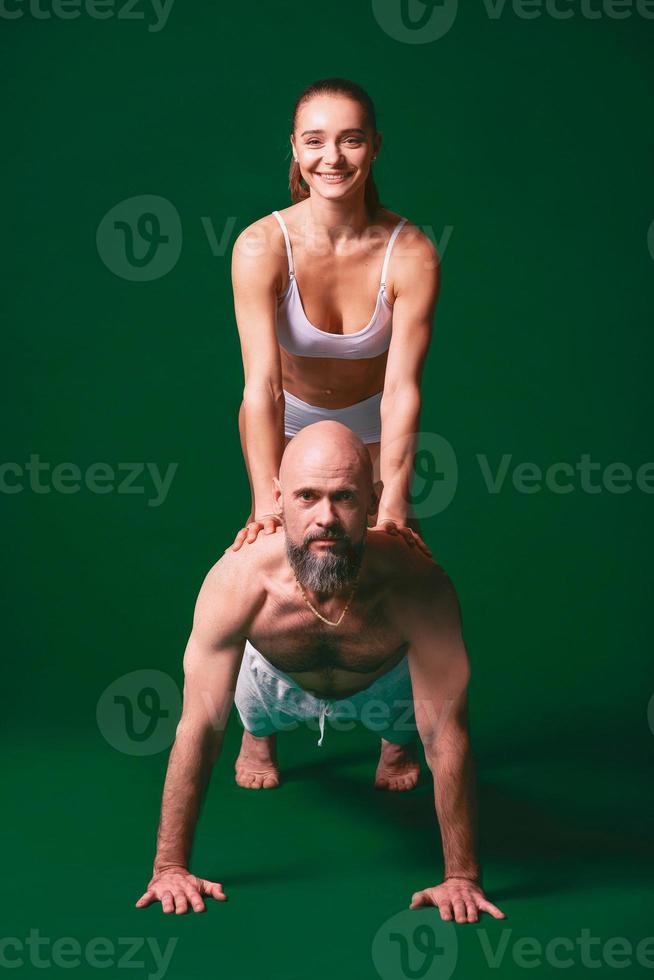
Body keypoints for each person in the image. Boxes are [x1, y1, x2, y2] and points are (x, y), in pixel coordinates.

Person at [136, 422, 505, 924]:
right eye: (307, 497)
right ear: (278, 498)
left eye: (344, 498)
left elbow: (446, 732)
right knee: (244, 701)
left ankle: (393, 745)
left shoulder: (416, 583)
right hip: (276, 679)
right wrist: (169, 867)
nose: (325, 518)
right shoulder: (239, 579)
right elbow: (198, 725)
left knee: (414, 727)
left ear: (373, 502)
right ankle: (259, 735)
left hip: (382, 679)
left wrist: (462, 877)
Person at [229, 76, 439, 556]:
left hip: (372, 424)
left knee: (392, 560)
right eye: (315, 141)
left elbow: (403, 390)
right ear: (295, 148)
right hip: (286, 421)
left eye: (352, 139)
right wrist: (266, 505)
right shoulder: (261, 246)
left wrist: (394, 504)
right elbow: (262, 387)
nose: (333, 157)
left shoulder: (412, 253)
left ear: (375, 146)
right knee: (272, 558)